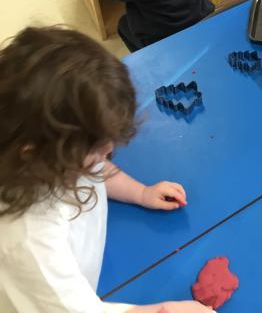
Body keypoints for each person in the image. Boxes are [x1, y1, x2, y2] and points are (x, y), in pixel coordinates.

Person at [0, 26, 212, 312]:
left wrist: (141, 192)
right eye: (97, 148)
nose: (108, 152)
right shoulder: (31, 241)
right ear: (34, 153)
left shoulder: (59, 156)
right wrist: (165, 310)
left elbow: (96, 170)